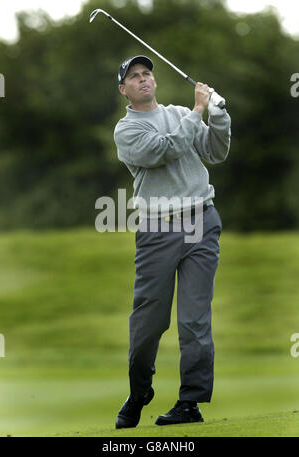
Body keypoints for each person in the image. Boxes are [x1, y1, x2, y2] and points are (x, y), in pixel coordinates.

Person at [113, 55, 231, 428]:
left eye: (147, 73)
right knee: (149, 320)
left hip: (201, 220)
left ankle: (190, 402)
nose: (143, 79)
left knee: (195, 320)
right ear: (124, 90)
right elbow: (164, 149)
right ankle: (139, 390)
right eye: (134, 77)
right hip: (157, 228)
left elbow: (215, 151)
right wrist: (197, 110)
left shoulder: (180, 112)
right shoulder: (126, 131)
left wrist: (219, 115)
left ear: (155, 80)